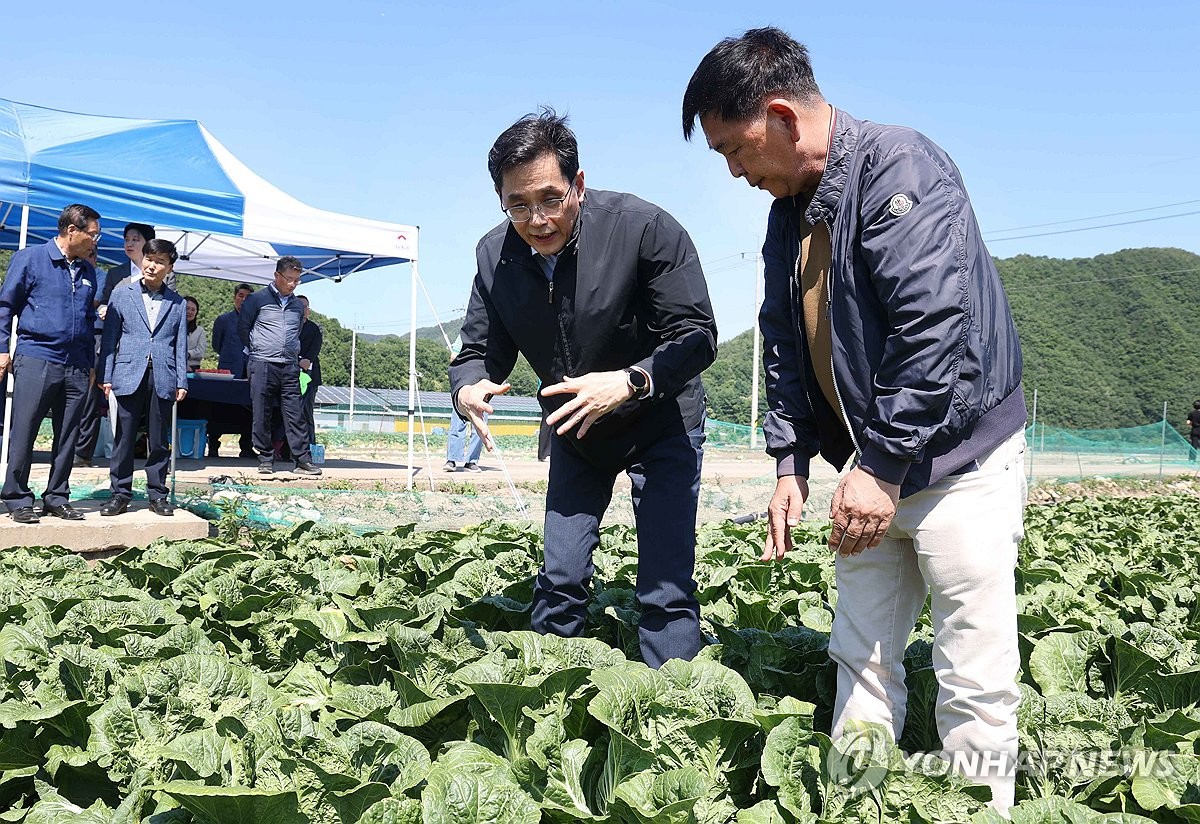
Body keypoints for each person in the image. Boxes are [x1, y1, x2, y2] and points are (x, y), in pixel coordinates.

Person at [683, 28, 1028, 813]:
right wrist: (789, 464)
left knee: (971, 667)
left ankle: (980, 806)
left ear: (781, 116)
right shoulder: (789, 210)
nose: (736, 172)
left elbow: (933, 327)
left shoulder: (902, 167)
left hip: (957, 465)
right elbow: (783, 338)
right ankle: (855, 802)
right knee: (861, 655)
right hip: (871, 467)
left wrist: (881, 466)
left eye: (736, 150)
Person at [450, 110, 717, 668]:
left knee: (665, 584)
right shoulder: (493, 255)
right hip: (576, 428)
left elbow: (695, 336)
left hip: (661, 418)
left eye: (550, 198)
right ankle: (549, 697)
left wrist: (629, 380)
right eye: (517, 205)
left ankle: (676, 716)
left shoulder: (643, 228)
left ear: (578, 183)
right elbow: (479, 346)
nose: (537, 219)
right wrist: (468, 387)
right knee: (560, 575)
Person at [0, 204, 102, 523]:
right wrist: (3, 350)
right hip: (37, 356)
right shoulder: (30, 259)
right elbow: (5, 306)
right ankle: (17, 497)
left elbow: (87, 320)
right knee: (26, 428)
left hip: (76, 364)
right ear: (72, 231)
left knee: (68, 433)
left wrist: (90, 364)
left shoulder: (88, 272)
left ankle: (57, 496)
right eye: (93, 234)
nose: (95, 241)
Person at [98, 239, 189, 516]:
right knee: (124, 437)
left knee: (159, 439)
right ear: (143, 260)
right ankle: (120, 494)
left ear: (170, 268)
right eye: (149, 259)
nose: (152, 265)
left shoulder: (178, 303)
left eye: (160, 261)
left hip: (162, 375)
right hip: (127, 372)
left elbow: (180, 345)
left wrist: (182, 380)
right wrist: (106, 375)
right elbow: (110, 337)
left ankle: (157, 495)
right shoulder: (122, 293)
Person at [239, 257, 321, 476]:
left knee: (295, 414)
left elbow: (296, 333)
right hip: (262, 363)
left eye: (297, 280)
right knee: (261, 412)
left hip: (290, 365)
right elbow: (243, 327)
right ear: (277, 276)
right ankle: (265, 458)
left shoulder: (296, 305)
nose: (293, 284)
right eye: (289, 279)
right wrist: (256, 349)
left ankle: (302, 459)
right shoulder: (257, 299)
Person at [208, 282, 254, 458]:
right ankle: (213, 445)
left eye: (247, 297)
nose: (243, 299)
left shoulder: (256, 321)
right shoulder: (223, 319)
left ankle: (246, 447)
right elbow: (216, 345)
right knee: (220, 409)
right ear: (234, 297)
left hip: (249, 370)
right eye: (240, 295)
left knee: (248, 411)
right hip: (228, 371)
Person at [74, 246, 110, 467]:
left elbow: (93, 301)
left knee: (89, 397)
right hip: (72, 338)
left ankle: (82, 452)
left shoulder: (100, 276)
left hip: (94, 337)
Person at [97, 223, 165, 304]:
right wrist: (103, 308)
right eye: (127, 240)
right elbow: (104, 302)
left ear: (148, 243)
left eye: (135, 240)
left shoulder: (165, 274)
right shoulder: (114, 274)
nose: (129, 244)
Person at [297, 295, 322, 445]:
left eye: (305, 307)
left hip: (310, 376)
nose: (303, 310)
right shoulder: (288, 327)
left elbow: (315, 348)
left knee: (306, 412)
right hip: (289, 373)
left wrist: (306, 360)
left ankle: (310, 447)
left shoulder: (314, 329)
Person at [444, 403, 483, 472]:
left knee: (478, 430)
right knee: (456, 426)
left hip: (481, 398)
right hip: (461, 396)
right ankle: (452, 459)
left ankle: (471, 461)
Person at [184, 296, 207, 371]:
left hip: (193, 368)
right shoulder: (172, 328)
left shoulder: (200, 331)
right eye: (187, 308)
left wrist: (187, 354)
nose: (190, 312)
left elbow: (201, 351)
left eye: (193, 310)